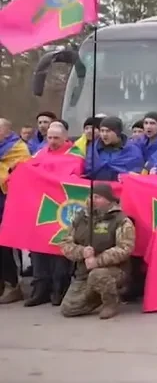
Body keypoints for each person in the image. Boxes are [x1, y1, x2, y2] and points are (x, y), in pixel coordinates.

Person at [58, 182, 136, 319]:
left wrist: (98, 261)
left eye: (98, 197)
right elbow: (65, 243)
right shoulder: (80, 218)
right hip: (84, 272)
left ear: (109, 200)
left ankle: (111, 302)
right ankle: (98, 295)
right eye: (91, 197)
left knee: (98, 275)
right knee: (68, 309)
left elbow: (125, 248)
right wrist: (81, 252)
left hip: (114, 270)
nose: (93, 200)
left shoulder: (121, 220)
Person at [25, 121, 76, 306]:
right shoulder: (41, 152)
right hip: (39, 206)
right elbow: (29, 169)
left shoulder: (75, 155)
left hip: (61, 209)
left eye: (56, 138)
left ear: (65, 138)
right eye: (50, 137)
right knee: (38, 248)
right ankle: (40, 288)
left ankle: (59, 289)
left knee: (59, 250)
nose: (52, 141)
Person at [0, 117, 33, 303]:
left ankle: (13, 285)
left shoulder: (18, 148)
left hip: (9, 200)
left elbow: (21, 171)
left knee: (5, 246)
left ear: (6, 132)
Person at [84, 116, 145, 182]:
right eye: (102, 131)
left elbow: (136, 175)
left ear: (117, 132)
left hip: (121, 189)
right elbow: (88, 172)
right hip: (98, 189)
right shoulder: (94, 149)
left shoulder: (132, 150)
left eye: (108, 131)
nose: (104, 134)